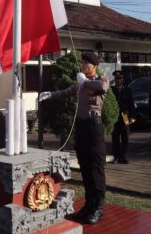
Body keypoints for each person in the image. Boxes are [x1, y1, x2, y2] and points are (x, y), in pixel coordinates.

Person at [39, 51, 109, 224]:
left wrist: (84, 82)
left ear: (94, 66)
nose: (83, 65)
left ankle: (98, 207)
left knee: (95, 167)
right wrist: (50, 95)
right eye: (82, 62)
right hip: (81, 126)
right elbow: (65, 92)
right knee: (84, 165)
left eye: (86, 63)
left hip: (94, 127)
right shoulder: (80, 83)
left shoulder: (100, 81)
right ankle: (89, 204)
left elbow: (102, 88)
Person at [111, 70, 135, 164]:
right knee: (115, 137)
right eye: (116, 78)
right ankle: (116, 156)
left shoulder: (127, 90)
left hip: (125, 115)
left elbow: (131, 104)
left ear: (123, 79)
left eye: (120, 78)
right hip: (114, 116)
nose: (118, 80)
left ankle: (124, 156)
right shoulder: (112, 90)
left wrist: (132, 116)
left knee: (125, 136)